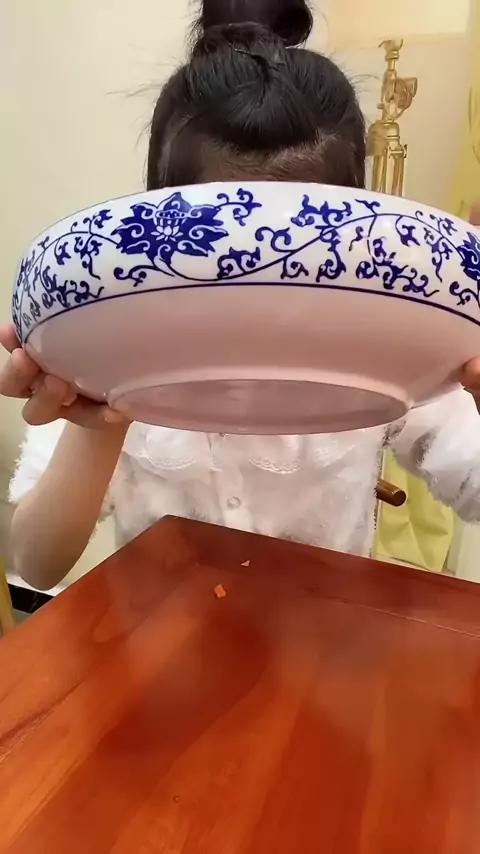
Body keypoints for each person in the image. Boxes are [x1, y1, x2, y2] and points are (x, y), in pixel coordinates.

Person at [2, 0, 480, 591]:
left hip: (320, 635)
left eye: (295, 254)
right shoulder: (112, 351)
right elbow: (36, 562)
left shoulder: (386, 351)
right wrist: (98, 417)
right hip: (159, 635)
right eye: (223, 257)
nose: (260, 281)